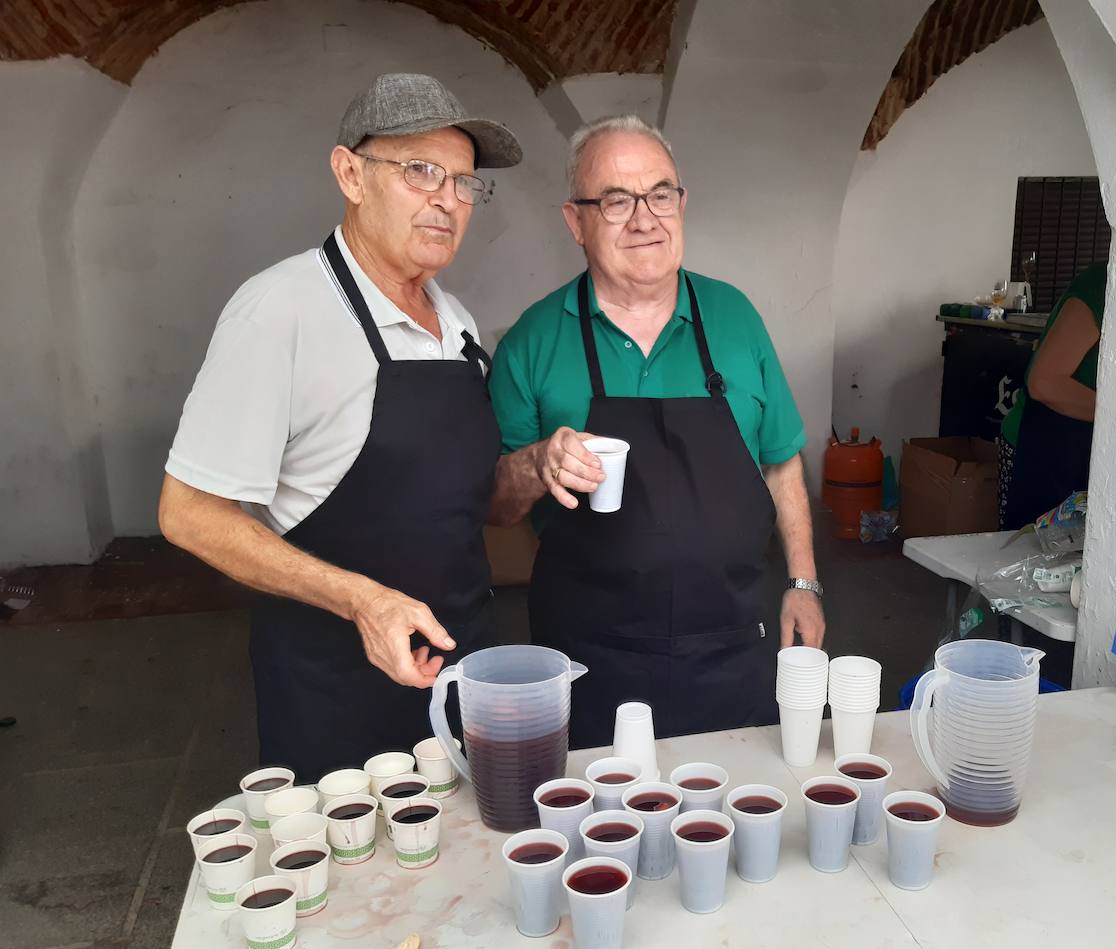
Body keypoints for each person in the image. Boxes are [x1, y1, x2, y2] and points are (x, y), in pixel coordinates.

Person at [158, 73, 522, 782]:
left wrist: (535, 466)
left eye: (463, 183)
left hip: (460, 662)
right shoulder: (278, 314)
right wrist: (361, 599)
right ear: (350, 174)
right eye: (421, 172)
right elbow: (188, 513)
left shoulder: (458, 323)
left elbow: (458, 497)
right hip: (334, 684)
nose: (446, 200)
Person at [488, 115, 824, 748]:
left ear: (682, 204)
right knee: (601, 837)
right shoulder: (533, 340)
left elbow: (781, 463)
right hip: (588, 661)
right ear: (575, 221)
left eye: (660, 194)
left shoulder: (736, 318)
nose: (645, 219)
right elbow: (495, 507)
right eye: (615, 200)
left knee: (732, 827)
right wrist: (536, 464)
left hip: (732, 648)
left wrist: (802, 583)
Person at [999, 262, 1107, 529]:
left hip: (1086, 448)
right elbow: (1045, 382)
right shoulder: (1101, 287)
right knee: (1028, 556)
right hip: (1041, 445)